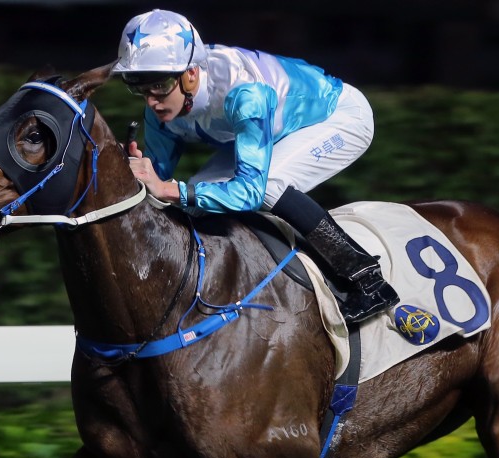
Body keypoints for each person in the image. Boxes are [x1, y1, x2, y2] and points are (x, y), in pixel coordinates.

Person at [113, 9, 398, 324]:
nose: (151, 101)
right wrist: (138, 174)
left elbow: (249, 192)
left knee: (269, 186)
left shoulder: (245, 94)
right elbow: (158, 180)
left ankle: (369, 280)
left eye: (160, 85)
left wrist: (168, 189)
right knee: (193, 202)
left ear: (190, 73)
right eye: (138, 87)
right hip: (269, 129)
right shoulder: (161, 109)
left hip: (339, 117)